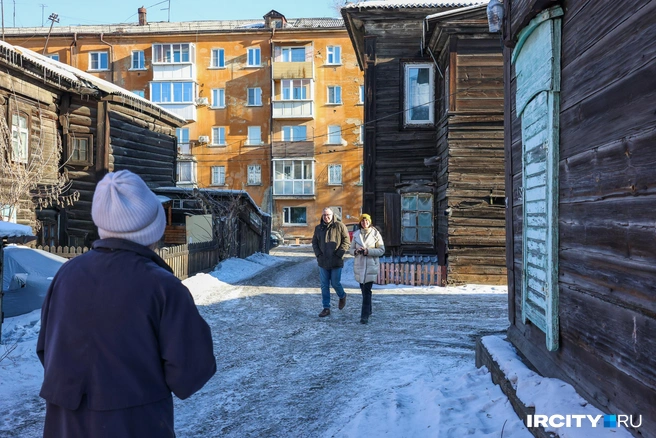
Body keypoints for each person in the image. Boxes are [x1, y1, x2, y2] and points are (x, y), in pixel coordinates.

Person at [37, 170, 216, 438]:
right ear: (154, 228)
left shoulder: (66, 275)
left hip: (65, 425)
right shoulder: (162, 286)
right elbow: (191, 372)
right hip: (136, 425)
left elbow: (45, 350)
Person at [311, 207, 350, 317]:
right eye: (324, 215)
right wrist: (318, 254)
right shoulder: (318, 228)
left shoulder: (340, 226)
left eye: (328, 215)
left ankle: (342, 296)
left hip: (336, 261)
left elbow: (346, 241)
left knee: (335, 283)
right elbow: (314, 243)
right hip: (323, 262)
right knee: (324, 285)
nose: (326, 217)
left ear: (333, 215)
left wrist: (339, 254)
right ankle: (326, 308)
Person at [349, 213, 385, 324]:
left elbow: (381, 250)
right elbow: (350, 250)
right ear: (360, 222)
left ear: (370, 222)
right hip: (359, 265)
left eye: (367, 221)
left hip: (370, 265)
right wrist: (355, 251)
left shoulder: (375, 234)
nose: (365, 223)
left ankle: (364, 316)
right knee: (364, 290)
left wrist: (368, 251)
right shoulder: (356, 235)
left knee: (366, 290)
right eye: (363, 221)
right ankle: (369, 310)